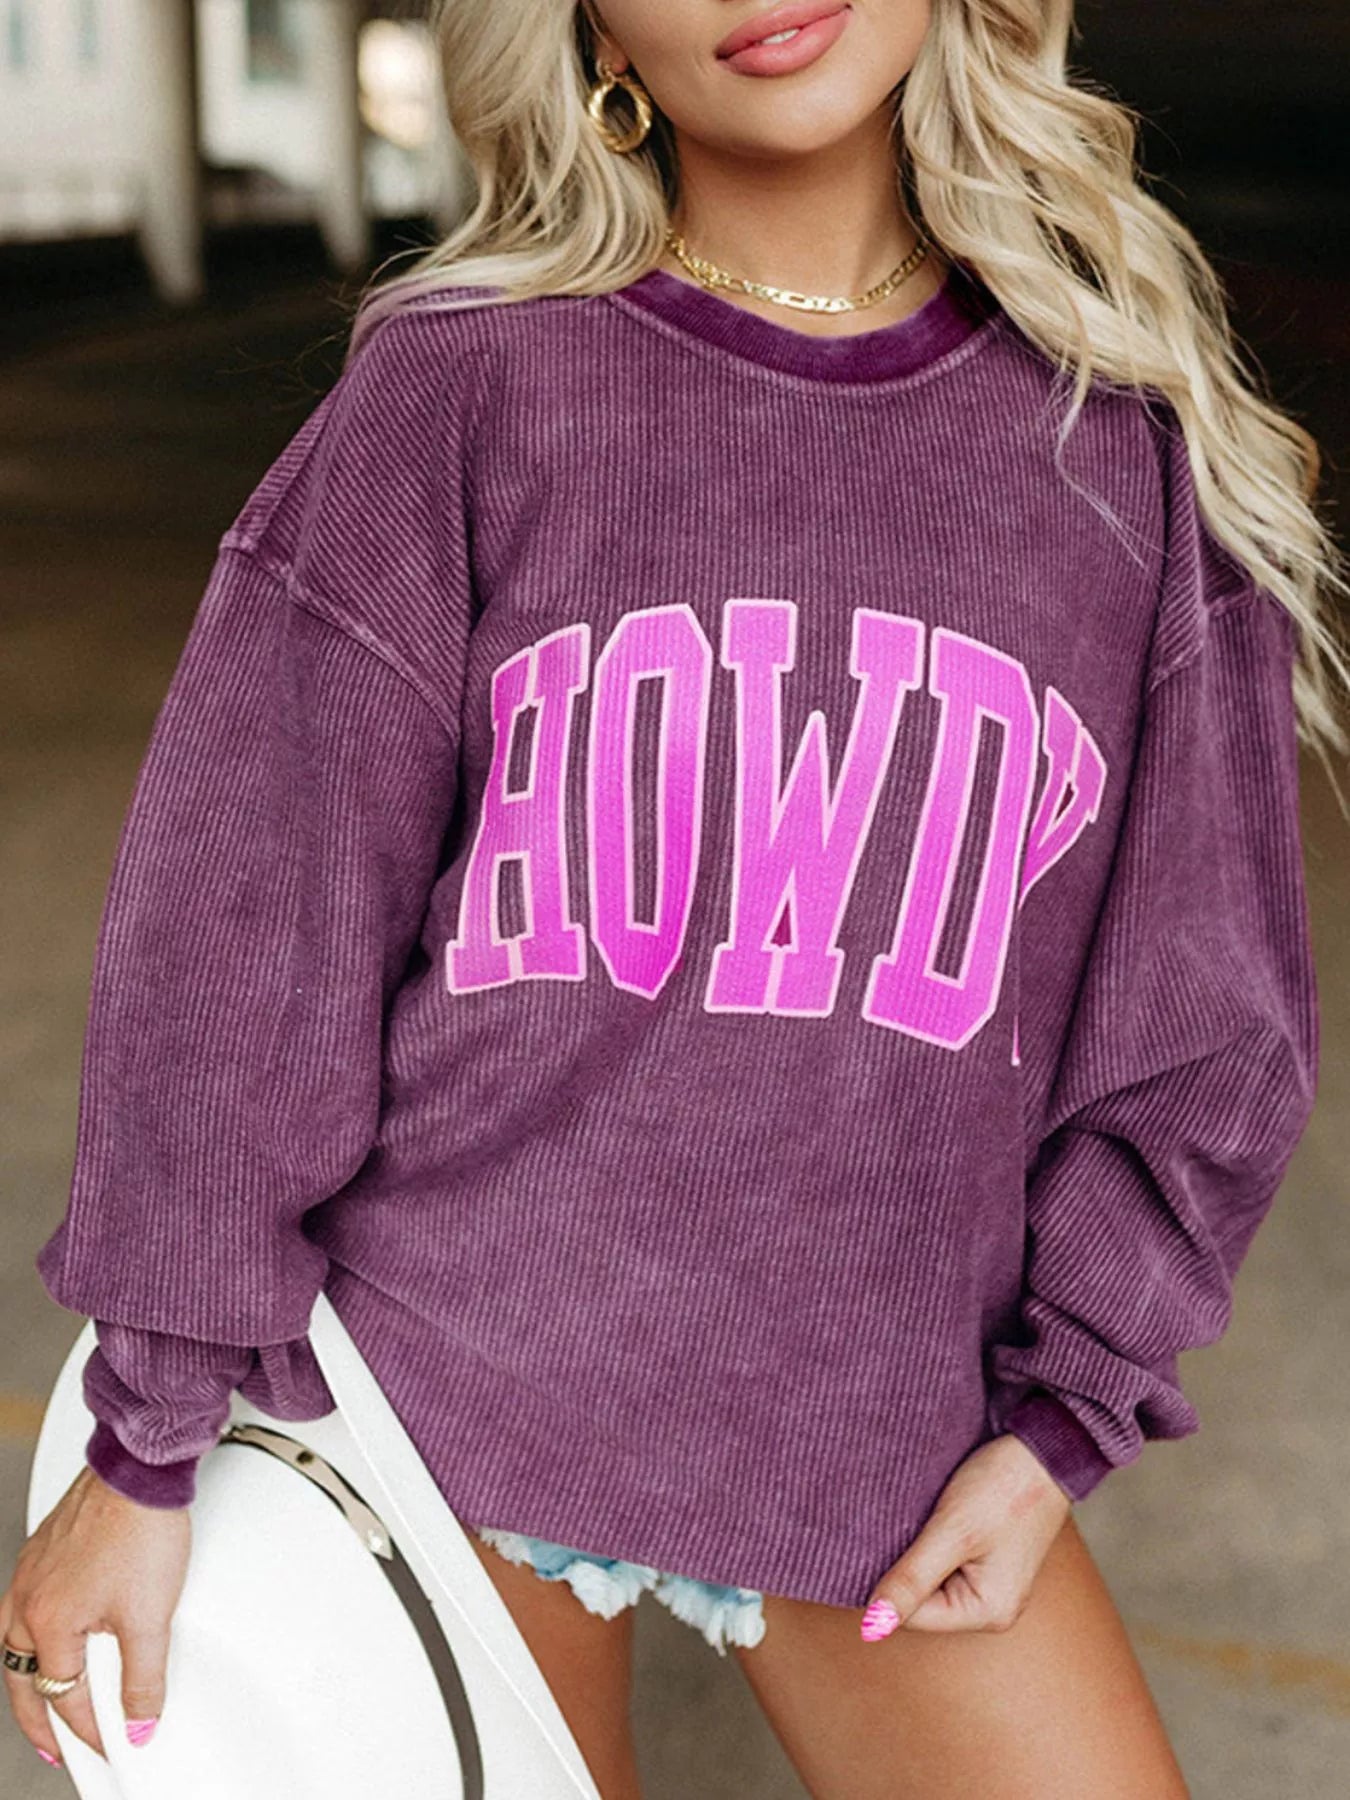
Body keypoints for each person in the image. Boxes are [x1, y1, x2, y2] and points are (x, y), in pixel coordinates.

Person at [4, 0, 1347, 1792]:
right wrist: (146, 1439)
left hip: (877, 1423)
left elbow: (1204, 1011)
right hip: (443, 1384)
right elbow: (249, 924)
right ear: (588, 29)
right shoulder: (466, 386)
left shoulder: (1112, 450)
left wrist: (1060, 1428)